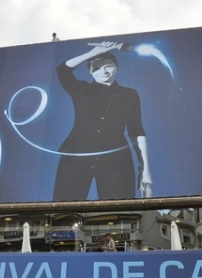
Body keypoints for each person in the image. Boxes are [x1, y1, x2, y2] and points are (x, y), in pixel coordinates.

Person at [53, 41, 152, 201]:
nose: (103, 71)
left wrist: (145, 168)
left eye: (108, 66)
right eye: (96, 67)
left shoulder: (129, 94)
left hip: (116, 161)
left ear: (116, 67)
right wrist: (93, 53)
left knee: (120, 211)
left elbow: (136, 131)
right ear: (90, 72)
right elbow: (63, 70)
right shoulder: (81, 90)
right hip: (75, 159)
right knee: (63, 210)